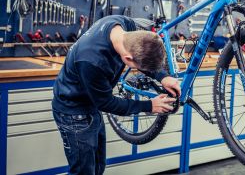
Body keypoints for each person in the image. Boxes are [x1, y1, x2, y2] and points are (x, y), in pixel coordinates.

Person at [52, 15, 181, 175]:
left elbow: (141, 51)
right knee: (83, 171)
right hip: (73, 112)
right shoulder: (92, 61)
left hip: (91, 107)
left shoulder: (122, 24)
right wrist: (149, 105)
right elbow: (106, 103)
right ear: (128, 59)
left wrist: (163, 77)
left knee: (98, 166)